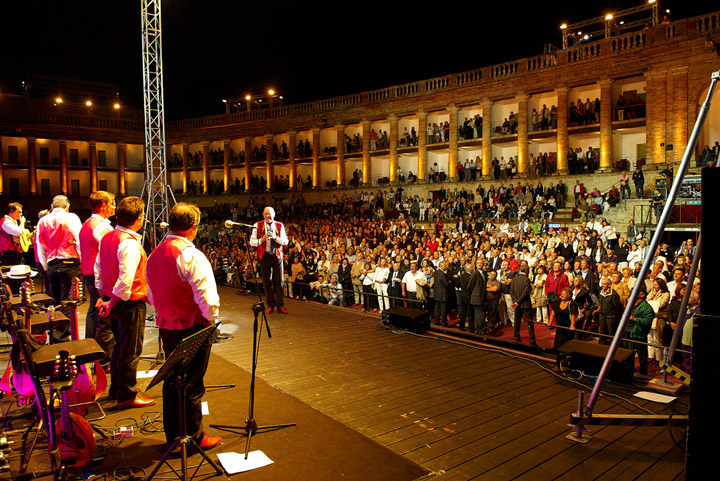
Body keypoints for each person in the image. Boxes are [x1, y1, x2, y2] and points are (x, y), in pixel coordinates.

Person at [146, 202, 222, 449]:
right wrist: (211, 322)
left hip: (167, 327)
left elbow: (151, 294)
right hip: (192, 327)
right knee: (192, 383)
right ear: (194, 226)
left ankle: (174, 437)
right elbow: (207, 297)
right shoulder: (191, 255)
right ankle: (193, 438)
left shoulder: (154, 254)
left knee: (172, 381)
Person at [95, 196, 155, 409]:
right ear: (139, 219)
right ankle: (128, 394)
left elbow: (98, 270)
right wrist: (111, 302)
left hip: (112, 299)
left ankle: (116, 389)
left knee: (120, 347)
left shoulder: (108, 237)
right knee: (130, 349)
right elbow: (125, 280)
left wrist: (104, 298)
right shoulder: (129, 243)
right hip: (129, 303)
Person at [36, 195, 83, 336]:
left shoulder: (43, 221)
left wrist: (46, 266)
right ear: (67, 207)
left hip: (51, 263)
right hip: (69, 262)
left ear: (52, 207)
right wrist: (82, 260)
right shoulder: (71, 217)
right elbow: (79, 241)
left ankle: (55, 335)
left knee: (55, 301)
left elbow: (40, 246)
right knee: (67, 302)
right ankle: (61, 338)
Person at [79, 191, 116, 369]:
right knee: (104, 317)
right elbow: (112, 252)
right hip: (100, 276)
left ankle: (91, 352)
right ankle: (104, 359)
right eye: (112, 203)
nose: (114, 207)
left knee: (93, 313)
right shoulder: (101, 227)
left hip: (89, 273)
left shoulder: (87, 224)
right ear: (103, 206)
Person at [249, 206, 289, 314]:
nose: (268, 216)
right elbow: (252, 242)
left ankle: (280, 304)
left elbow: (285, 241)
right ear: (263, 215)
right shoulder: (257, 225)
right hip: (264, 256)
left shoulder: (279, 225)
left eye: (269, 214)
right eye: (266, 214)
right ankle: (270, 304)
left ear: (274, 214)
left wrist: (276, 238)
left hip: (276, 256)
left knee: (280, 281)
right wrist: (262, 239)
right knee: (267, 282)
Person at [510, 265, 536, 346]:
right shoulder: (526, 279)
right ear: (527, 271)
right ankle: (532, 340)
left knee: (517, 322)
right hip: (525, 304)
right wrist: (518, 302)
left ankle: (516, 337)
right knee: (530, 322)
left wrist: (515, 301)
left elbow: (511, 291)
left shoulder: (514, 279)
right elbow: (525, 292)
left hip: (517, 305)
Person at [433, 260, 449, 326]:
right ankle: (444, 322)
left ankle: (436, 320)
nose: (446, 266)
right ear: (442, 266)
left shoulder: (436, 273)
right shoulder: (443, 274)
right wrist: (449, 282)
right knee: (443, 309)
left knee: (437, 308)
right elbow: (446, 284)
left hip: (437, 293)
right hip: (443, 294)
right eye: (445, 265)